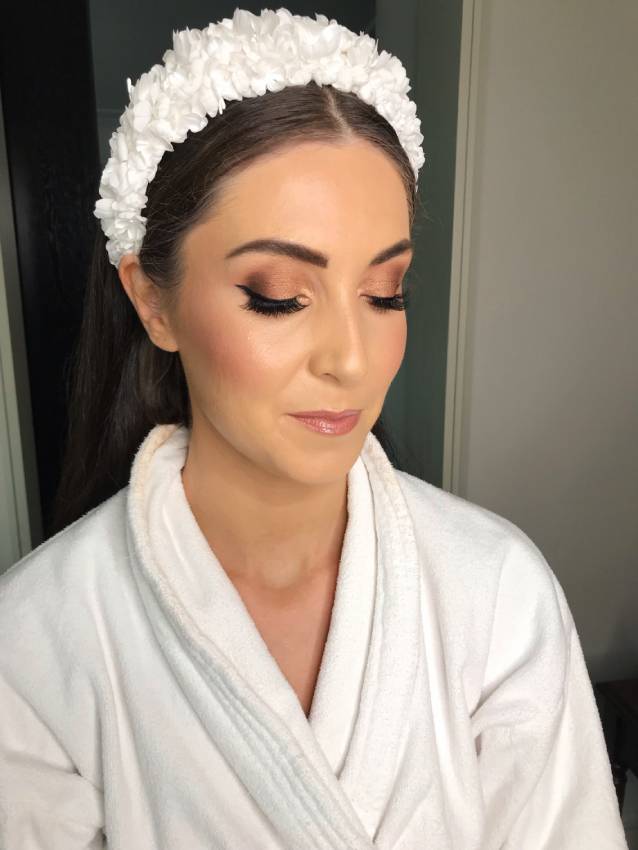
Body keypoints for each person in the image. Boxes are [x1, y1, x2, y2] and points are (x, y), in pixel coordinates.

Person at [0, 8, 628, 849]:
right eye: (279, 298)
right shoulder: (36, 643)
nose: (352, 359)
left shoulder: (498, 593)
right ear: (153, 301)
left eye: (385, 294)